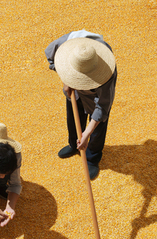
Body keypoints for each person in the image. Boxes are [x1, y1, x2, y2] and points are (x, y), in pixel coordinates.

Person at [45, 29, 117, 180]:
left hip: (94, 96)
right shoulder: (64, 44)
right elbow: (51, 59)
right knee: (73, 117)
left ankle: (92, 157)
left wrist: (87, 133)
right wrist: (66, 78)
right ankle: (73, 145)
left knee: (98, 126)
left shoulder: (107, 72)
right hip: (73, 90)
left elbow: (102, 107)